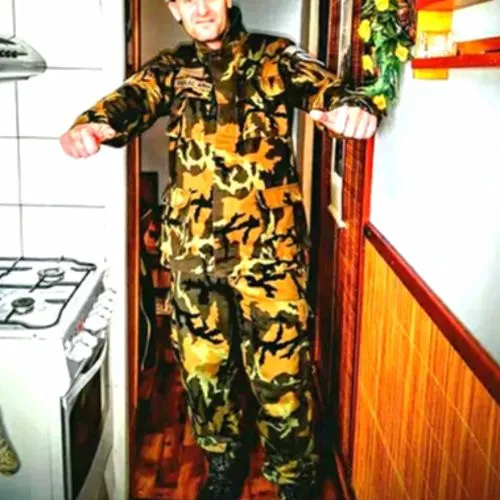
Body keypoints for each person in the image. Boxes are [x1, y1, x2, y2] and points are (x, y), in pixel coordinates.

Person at [60, 1, 377, 498]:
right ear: (174, 9)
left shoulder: (275, 56)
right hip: (194, 258)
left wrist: (347, 106)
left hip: (270, 258)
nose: (202, 8)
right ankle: (223, 463)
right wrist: (92, 125)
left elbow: (319, 84)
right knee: (204, 373)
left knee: (282, 377)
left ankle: (295, 478)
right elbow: (130, 100)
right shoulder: (170, 68)